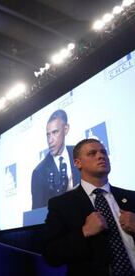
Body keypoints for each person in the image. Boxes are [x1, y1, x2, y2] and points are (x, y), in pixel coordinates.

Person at [43, 138, 135, 275]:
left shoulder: (132, 197)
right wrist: (84, 232)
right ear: (77, 163)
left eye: (103, 152)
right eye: (92, 153)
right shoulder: (61, 204)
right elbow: (51, 255)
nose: (101, 156)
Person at [31, 109, 80, 209]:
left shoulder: (80, 153)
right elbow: (37, 214)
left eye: (55, 132)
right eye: (48, 134)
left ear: (66, 129)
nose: (50, 140)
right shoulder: (39, 172)